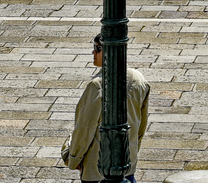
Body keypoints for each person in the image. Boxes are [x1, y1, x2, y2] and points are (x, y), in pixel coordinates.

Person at [61, 34, 151, 182]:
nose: (93, 52)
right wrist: (132, 152)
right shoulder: (138, 78)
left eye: (97, 48)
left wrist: (74, 158)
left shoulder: (96, 85)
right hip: (127, 163)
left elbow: (85, 128)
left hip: (97, 167)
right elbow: (141, 125)